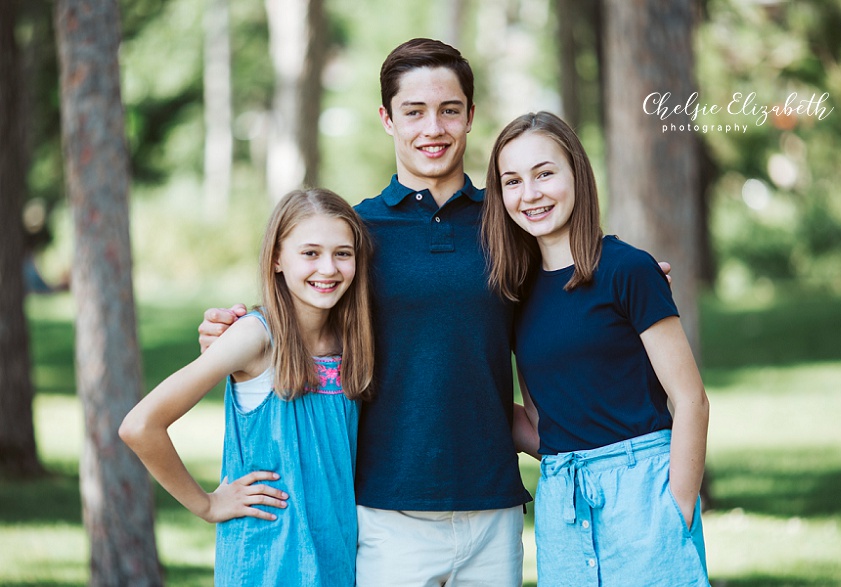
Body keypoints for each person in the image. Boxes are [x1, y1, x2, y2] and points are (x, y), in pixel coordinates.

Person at [198, 39, 672, 586]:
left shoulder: (511, 223)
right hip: (386, 509)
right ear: (387, 118)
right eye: (413, 112)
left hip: (494, 505)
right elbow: (302, 304)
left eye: (449, 110)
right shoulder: (356, 233)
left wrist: (632, 277)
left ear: (471, 115)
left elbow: (571, 278)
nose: (433, 128)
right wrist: (233, 329)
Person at [482, 111, 710, 586]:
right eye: (512, 181)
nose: (531, 194)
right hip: (562, 500)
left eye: (545, 173)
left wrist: (678, 507)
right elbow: (542, 429)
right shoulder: (517, 294)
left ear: (577, 174)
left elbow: (691, 400)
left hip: (644, 494)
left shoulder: (628, 270)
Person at [120, 188, 374, 587]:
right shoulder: (255, 337)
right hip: (265, 562)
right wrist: (207, 504)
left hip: (335, 561)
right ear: (276, 258)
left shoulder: (351, 343)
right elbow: (140, 425)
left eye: (343, 253)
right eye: (310, 253)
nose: (328, 268)